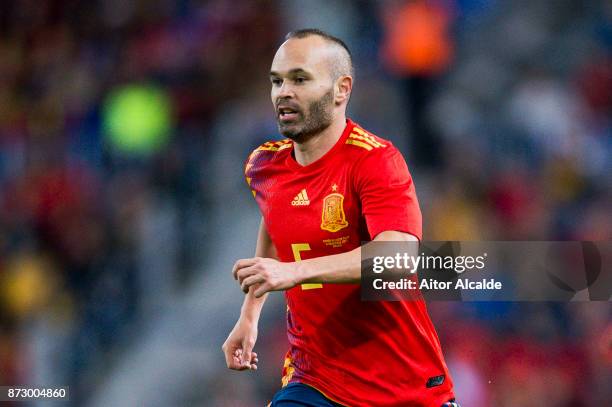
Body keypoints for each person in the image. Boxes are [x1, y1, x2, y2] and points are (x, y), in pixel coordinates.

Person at [222, 29, 458, 407]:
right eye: (277, 81)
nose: (283, 91)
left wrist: (296, 271)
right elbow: (276, 219)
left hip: (401, 387)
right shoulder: (264, 165)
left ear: (341, 89)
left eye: (300, 79)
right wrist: (250, 313)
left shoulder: (376, 161)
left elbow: (398, 258)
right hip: (314, 381)